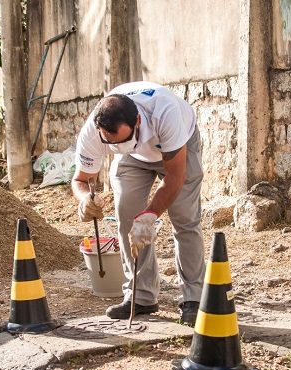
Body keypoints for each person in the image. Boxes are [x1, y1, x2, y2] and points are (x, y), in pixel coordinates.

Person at [72, 81, 204, 326]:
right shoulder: (93, 131)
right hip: (133, 159)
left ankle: (194, 299)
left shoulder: (164, 113)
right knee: (127, 217)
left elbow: (175, 177)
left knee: (184, 219)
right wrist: (84, 201)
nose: (117, 147)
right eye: (111, 143)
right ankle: (140, 296)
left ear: (138, 122)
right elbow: (81, 179)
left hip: (176, 149)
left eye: (124, 139)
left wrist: (151, 214)